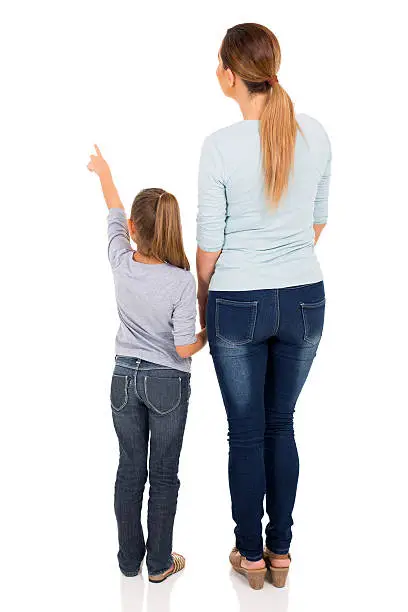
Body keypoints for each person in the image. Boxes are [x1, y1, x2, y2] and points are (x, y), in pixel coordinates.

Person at [196, 23, 331, 590]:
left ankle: (249, 556)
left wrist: (204, 306)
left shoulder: (220, 146)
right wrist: (285, 262)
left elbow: (209, 243)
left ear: (230, 74)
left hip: (238, 303)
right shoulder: (316, 133)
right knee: (282, 425)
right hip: (304, 299)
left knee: (246, 433)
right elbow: (318, 219)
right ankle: (280, 555)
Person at [87, 145, 207, 583]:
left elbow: (113, 210)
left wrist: (104, 172)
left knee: (129, 470)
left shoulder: (121, 261)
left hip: (122, 380)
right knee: (163, 476)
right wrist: (207, 335)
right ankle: (159, 564)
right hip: (166, 383)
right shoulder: (180, 281)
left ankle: (127, 561)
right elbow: (181, 349)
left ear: (134, 229)